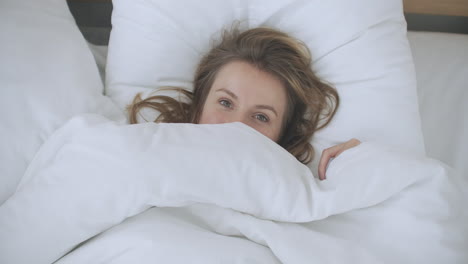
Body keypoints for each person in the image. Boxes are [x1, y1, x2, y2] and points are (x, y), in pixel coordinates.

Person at [127, 26, 360, 180]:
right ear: (199, 103)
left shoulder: (295, 189)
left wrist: (358, 163)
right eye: (226, 102)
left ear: (282, 137)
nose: (235, 126)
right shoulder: (138, 153)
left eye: (261, 117)